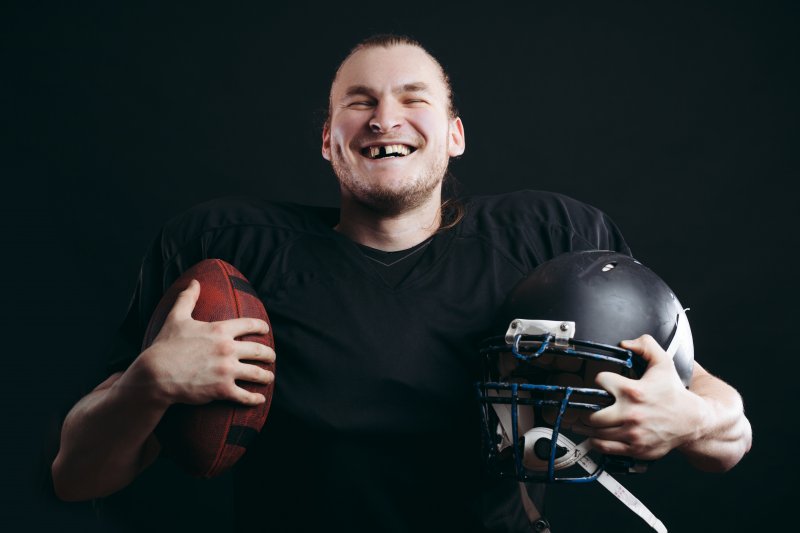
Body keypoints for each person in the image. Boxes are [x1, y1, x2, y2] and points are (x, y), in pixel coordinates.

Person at [51, 34, 752, 532]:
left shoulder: (544, 238)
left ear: (454, 134)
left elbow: (729, 431)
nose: (385, 118)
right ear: (328, 139)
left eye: (411, 98)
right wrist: (149, 381)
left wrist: (688, 418)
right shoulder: (232, 249)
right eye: (359, 102)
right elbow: (76, 475)